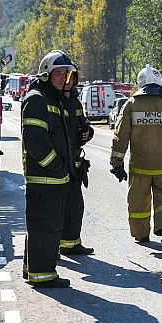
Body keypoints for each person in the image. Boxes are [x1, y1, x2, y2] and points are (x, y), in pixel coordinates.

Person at [21, 49, 76, 288]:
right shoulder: (37, 99)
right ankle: (43, 275)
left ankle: (31, 269)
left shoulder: (53, 98)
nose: (62, 78)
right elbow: (36, 142)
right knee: (47, 226)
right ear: (46, 73)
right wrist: (58, 168)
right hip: (45, 178)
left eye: (66, 74)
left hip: (53, 178)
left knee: (40, 225)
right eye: (58, 73)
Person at [110, 64, 162, 246]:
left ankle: (142, 234)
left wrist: (116, 162)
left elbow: (121, 135)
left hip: (139, 167)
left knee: (139, 202)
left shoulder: (131, 105)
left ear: (140, 83)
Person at [60, 66, 95, 255]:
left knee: (75, 205)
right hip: (57, 163)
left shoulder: (75, 102)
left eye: (73, 77)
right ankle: (54, 245)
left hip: (74, 161)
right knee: (57, 206)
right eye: (67, 77)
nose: (70, 81)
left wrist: (88, 132)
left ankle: (71, 244)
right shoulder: (54, 101)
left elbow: (85, 125)